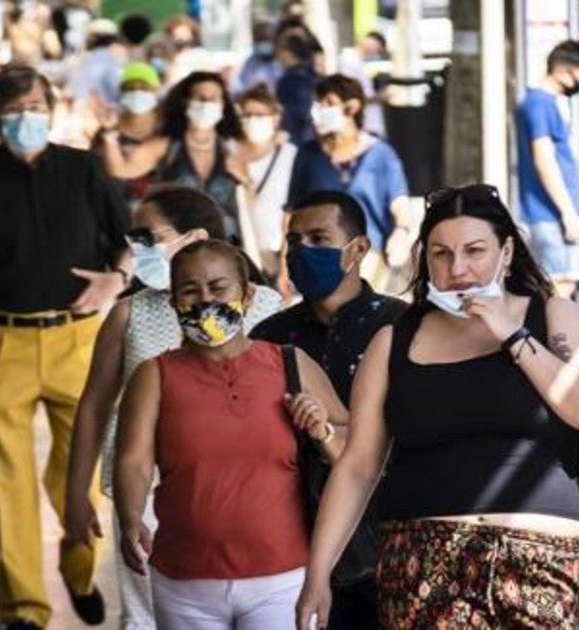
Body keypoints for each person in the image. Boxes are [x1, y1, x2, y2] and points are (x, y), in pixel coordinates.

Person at [295, 184, 579, 629]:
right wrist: (317, 574)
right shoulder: (394, 342)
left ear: (506, 251)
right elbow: (358, 467)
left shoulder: (552, 316)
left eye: (474, 250)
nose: (458, 268)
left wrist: (512, 335)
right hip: (424, 562)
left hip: (539, 562)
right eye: (441, 254)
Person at [0, 64, 132, 630]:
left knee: (83, 474)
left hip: (79, 339)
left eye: (35, 106)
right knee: (4, 480)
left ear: (52, 106)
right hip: (0, 342)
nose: (26, 120)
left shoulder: (86, 170)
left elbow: (130, 244)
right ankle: (22, 610)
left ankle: (79, 565)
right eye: (13, 112)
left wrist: (116, 279)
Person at [63, 186, 284, 630]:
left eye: (148, 236)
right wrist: (75, 496)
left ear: (195, 235)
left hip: (247, 488)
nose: (136, 248)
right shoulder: (129, 314)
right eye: (133, 237)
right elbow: (94, 408)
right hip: (144, 490)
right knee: (146, 617)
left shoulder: (265, 309)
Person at [114, 239, 349, 629]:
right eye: (190, 291)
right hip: (183, 581)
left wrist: (321, 428)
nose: (205, 300)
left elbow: (353, 458)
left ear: (248, 293)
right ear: (173, 302)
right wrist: (129, 516)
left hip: (282, 579)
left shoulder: (290, 364)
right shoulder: (154, 376)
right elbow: (134, 461)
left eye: (218, 287)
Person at [250, 190, 407, 628]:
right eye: (294, 241)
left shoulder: (401, 327)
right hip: (291, 544)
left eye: (320, 238)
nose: (303, 252)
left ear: (358, 249)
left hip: (388, 544)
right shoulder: (269, 337)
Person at [287, 74, 412, 290]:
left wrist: (401, 231)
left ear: (352, 107)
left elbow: (400, 201)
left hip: (368, 256)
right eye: (318, 104)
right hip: (318, 257)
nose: (320, 110)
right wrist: (286, 260)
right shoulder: (309, 155)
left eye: (329, 104)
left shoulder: (381, 154)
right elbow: (292, 211)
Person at [100, 71, 248, 242]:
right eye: (199, 98)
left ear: (223, 104)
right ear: (186, 102)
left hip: (223, 246)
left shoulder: (233, 149)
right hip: (174, 246)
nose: (206, 104)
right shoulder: (166, 146)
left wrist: (246, 180)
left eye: (213, 98)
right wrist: (109, 133)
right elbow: (120, 170)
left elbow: (250, 198)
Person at [515, 40, 579, 299]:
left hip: (546, 214)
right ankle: (557, 340)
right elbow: (544, 159)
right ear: (563, 70)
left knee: (554, 287)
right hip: (551, 216)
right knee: (561, 286)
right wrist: (568, 213)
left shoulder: (532, 102)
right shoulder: (542, 105)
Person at [235, 84, 299, 276]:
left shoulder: (290, 155)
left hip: (275, 249)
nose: (253, 120)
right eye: (247, 115)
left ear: (275, 119)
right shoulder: (230, 154)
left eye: (260, 115)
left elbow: (295, 207)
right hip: (239, 248)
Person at [90, 62, 163, 211]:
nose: (137, 93)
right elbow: (95, 170)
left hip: (158, 209)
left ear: (155, 91)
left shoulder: (166, 129)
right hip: (115, 208)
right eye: (130, 88)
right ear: (122, 92)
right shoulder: (109, 127)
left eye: (144, 88)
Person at [274, 30, 320, 145]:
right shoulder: (315, 76)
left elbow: (290, 115)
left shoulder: (289, 81)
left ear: (287, 52)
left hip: (296, 140)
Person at [233, 19, 282, 95]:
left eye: (266, 39)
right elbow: (240, 87)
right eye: (259, 39)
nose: (263, 43)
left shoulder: (282, 63)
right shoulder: (250, 62)